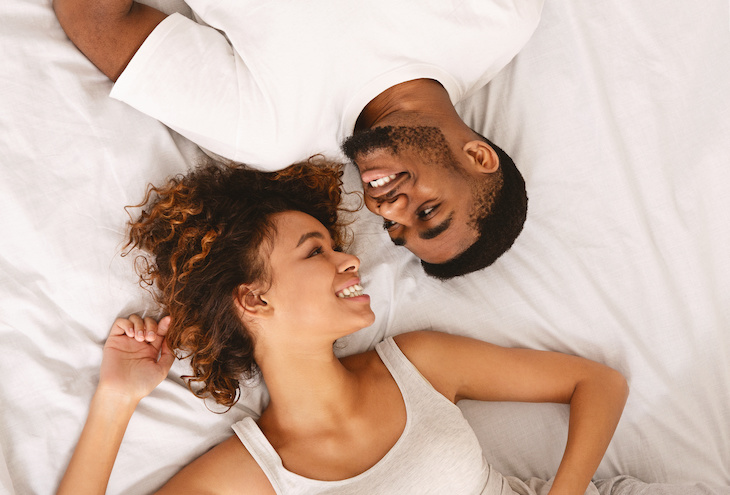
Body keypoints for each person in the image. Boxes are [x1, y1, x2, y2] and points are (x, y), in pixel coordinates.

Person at [57, 159, 640, 495]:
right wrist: (115, 401)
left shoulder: (418, 364)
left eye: (336, 245)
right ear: (254, 299)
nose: (350, 260)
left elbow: (597, 383)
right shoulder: (251, 475)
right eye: (316, 251)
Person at [51, 0, 542, 278]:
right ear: (477, 156)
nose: (387, 210)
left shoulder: (272, 134)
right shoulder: (498, 18)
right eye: (426, 212)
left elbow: (94, 18)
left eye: (396, 230)